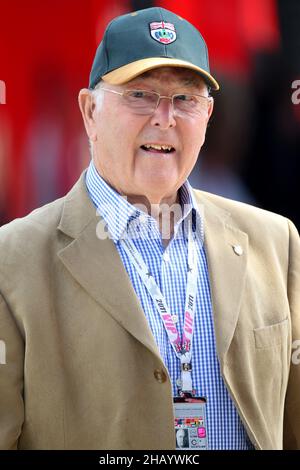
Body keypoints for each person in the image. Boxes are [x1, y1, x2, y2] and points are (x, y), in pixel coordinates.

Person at [0, 7, 299, 450]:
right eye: (139, 94)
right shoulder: (12, 261)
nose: (165, 117)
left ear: (208, 116)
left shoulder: (277, 243)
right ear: (89, 111)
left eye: (185, 99)